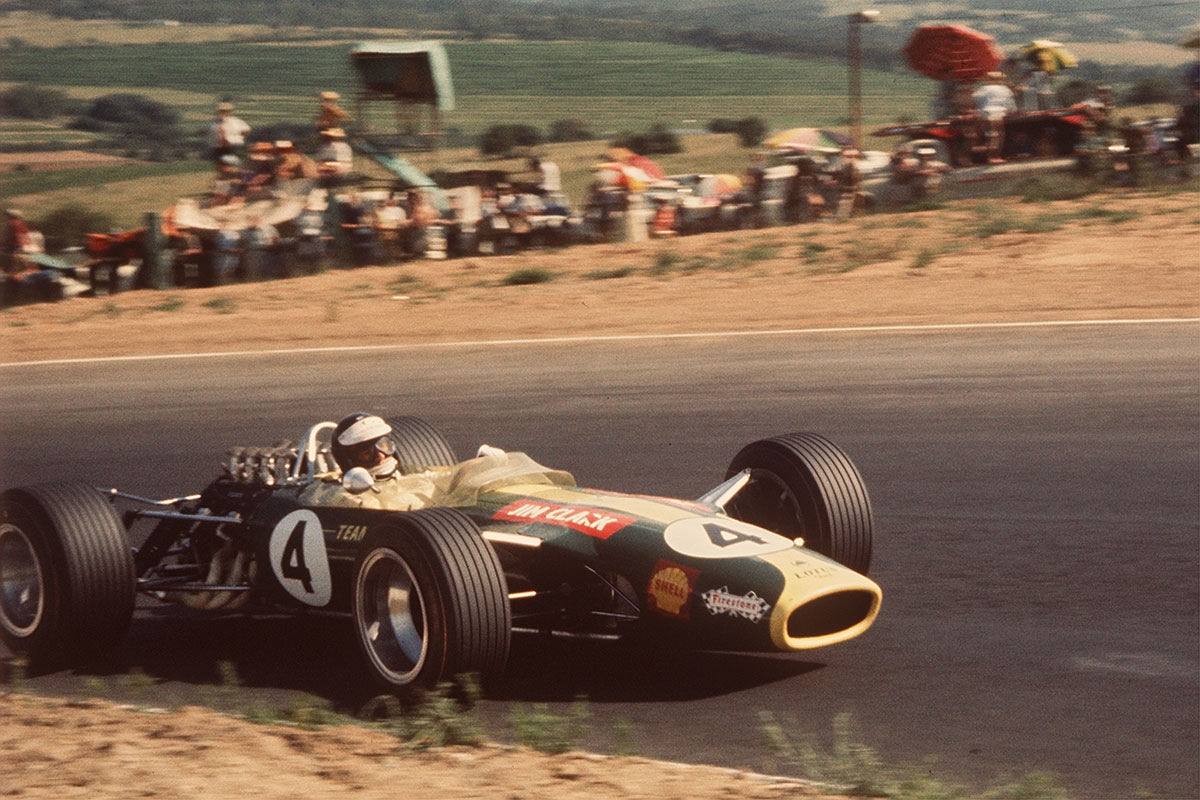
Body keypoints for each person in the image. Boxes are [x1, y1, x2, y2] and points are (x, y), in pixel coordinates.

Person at [299, 413, 439, 510]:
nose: (381, 456)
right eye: (367, 453)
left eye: (384, 446)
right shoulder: (343, 497)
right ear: (347, 459)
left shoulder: (418, 478)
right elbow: (309, 496)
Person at [972, 71, 1017, 163]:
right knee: (998, 135)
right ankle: (993, 156)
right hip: (996, 113)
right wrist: (1012, 111)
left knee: (987, 134)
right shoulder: (1004, 89)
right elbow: (1010, 104)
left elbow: (975, 99)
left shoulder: (983, 89)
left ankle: (982, 152)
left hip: (984, 113)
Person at [207, 101, 251, 167]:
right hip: (218, 148)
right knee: (222, 166)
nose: (222, 113)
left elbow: (247, 130)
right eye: (220, 111)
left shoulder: (235, 122)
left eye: (224, 111)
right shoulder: (212, 123)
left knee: (232, 165)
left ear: (228, 112)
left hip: (233, 146)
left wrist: (238, 138)